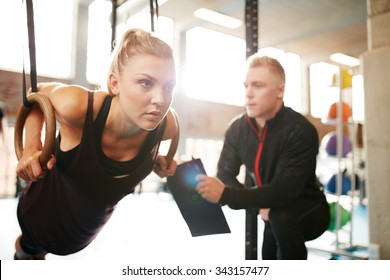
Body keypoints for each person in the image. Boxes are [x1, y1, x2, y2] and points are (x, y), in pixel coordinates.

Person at [14, 28, 178, 260]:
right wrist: (32, 147)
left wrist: (154, 160)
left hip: (84, 235)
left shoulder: (166, 126)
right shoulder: (78, 107)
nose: (160, 100)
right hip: (39, 219)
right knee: (30, 253)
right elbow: (36, 96)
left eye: (169, 86)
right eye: (145, 83)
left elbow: (117, 166)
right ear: (115, 83)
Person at [195, 55, 330, 260]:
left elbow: (284, 191)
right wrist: (255, 203)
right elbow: (225, 173)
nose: (248, 93)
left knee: (281, 217)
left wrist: (228, 196)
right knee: (269, 249)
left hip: (308, 208)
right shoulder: (237, 128)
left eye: (258, 86)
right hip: (269, 208)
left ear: (280, 91)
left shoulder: (300, 130)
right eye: (246, 85)